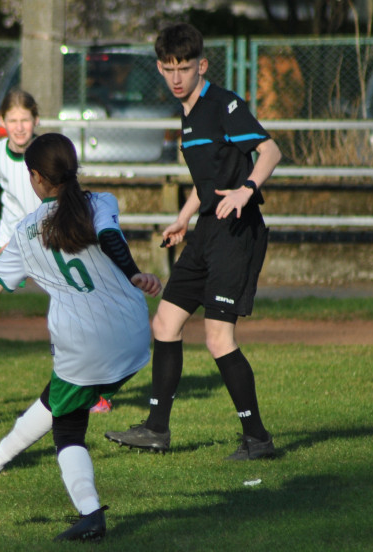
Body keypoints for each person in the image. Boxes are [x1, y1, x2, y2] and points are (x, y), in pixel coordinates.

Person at [0, 133, 161, 541]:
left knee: (67, 430)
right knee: (58, 401)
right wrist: (134, 274)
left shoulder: (25, 231)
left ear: (36, 178)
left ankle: (90, 514)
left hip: (85, 343)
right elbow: (108, 237)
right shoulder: (101, 201)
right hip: (134, 334)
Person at [104, 23, 282, 460]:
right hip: (206, 231)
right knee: (164, 324)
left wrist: (247, 191)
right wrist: (183, 218)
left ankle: (257, 438)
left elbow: (271, 150)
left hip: (237, 233)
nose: (176, 77)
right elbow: (206, 180)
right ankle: (156, 429)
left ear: (201, 65)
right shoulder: (186, 115)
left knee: (219, 338)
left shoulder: (222, 104)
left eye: (185, 68)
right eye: (168, 69)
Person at [0, 88, 113, 413]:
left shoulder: (48, 155)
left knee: (72, 315)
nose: (19, 127)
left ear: (36, 121)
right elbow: (6, 197)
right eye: (12, 120)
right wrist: (1, 235)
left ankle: (89, 389)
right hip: (11, 243)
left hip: (49, 242)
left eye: (25, 120)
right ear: (2, 121)